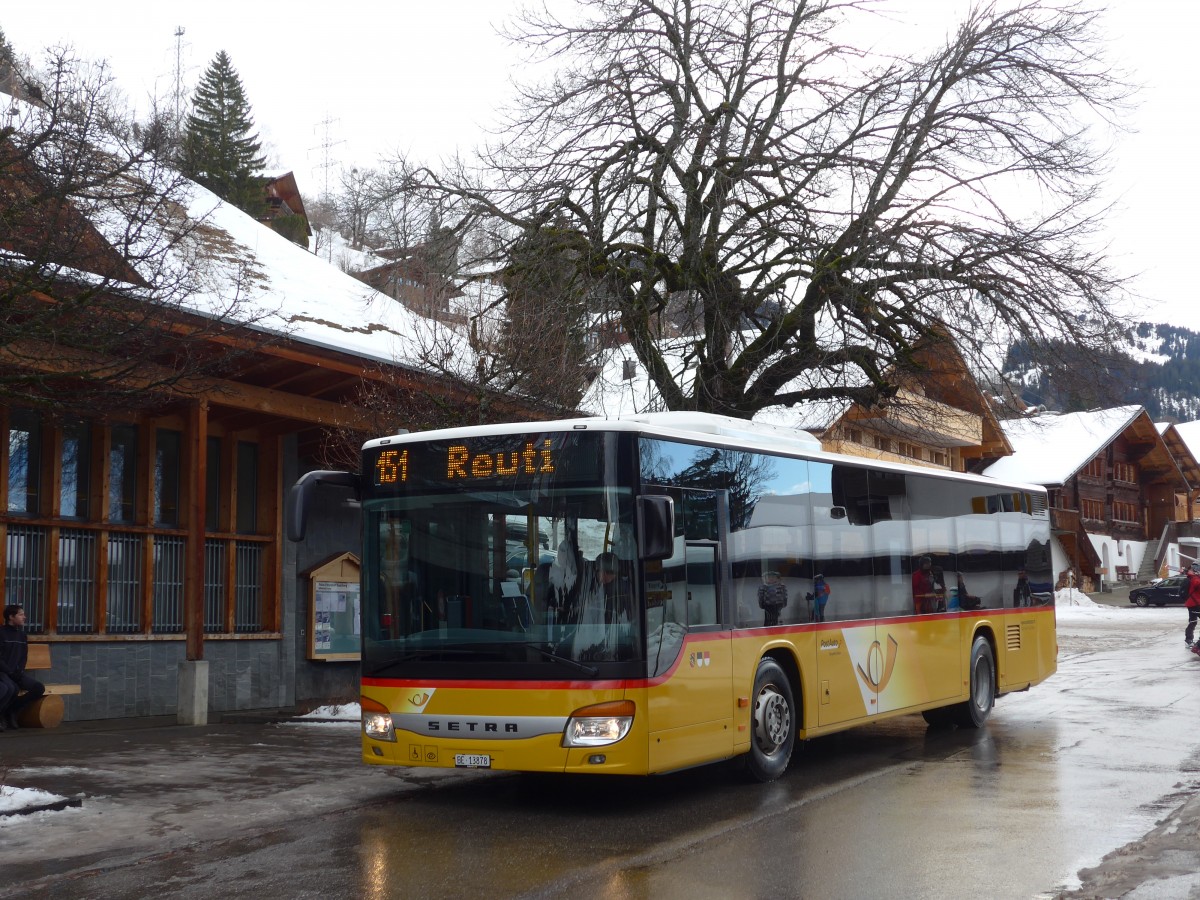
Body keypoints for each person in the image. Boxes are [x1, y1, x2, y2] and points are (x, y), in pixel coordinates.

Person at [0, 604, 45, 731]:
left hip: (17, 672)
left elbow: (23, 656)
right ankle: (2, 714)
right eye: (20, 614)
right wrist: (10, 672)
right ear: (11, 617)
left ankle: (12, 710)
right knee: (11, 688)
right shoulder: (1, 633)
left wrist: (19, 671)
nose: (24, 617)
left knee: (38, 687)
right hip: (4, 672)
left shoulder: (22, 635)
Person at [595, 552, 632, 625]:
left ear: (603, 572)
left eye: (597, 570)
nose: (596, 574)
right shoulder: (625, 585)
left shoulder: (614, 592)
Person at [1185, 561, 1200, 651]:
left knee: (1193, 621)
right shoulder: (1194, 578)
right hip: (1194, 604)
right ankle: (1191, 642)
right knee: (1193, 622)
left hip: (1195, 603)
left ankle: (1189, 640)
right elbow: (1197, 584)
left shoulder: (1195, 577)